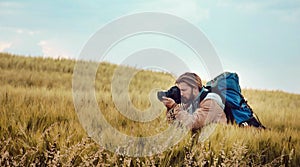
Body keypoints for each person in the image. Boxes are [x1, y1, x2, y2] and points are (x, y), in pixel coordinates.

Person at [162, 72, 227, 131]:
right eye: (180, 90)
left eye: (184, 90)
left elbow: (192, 124)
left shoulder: (210, 102)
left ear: (195, 88)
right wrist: (170, 108)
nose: (181, 94)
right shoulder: (191, 101)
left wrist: (174, 106)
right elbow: (175, 124)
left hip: (216, 141)